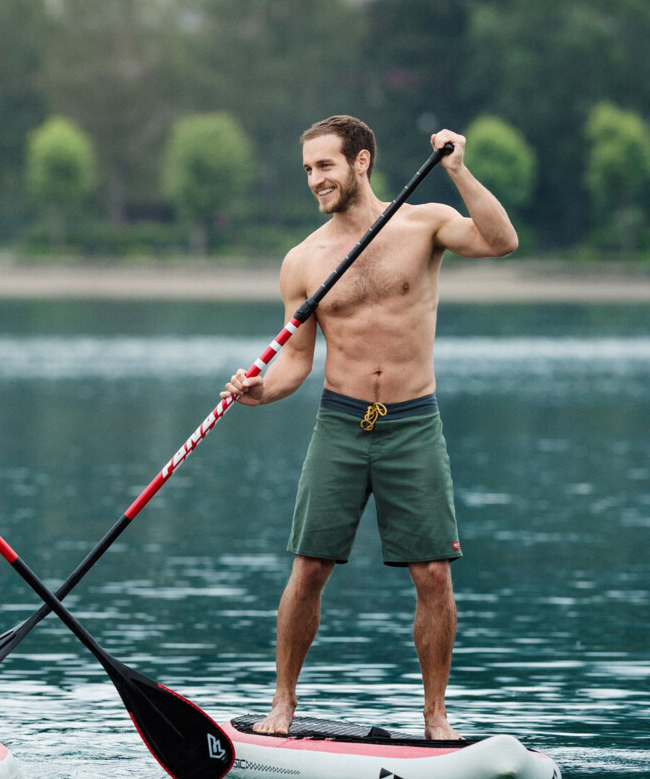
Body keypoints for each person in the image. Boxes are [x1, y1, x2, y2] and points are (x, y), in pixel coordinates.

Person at [222, 115, 518, 740]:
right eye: (307, 169)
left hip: (413, 422)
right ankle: (282, 704)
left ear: (361, 162)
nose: (315, 179)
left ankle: (435, 716)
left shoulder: (425, 223)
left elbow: (501, 241)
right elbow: (295, 362)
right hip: (341, 422)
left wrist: (458, 170)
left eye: (325, 165)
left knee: (433, 575)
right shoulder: (303, 261)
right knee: (309, 568)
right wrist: (260, 391)